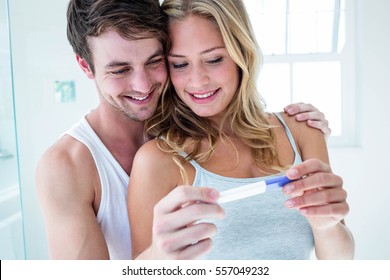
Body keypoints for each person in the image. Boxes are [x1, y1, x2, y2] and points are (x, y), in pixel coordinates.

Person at [36, 0, 332, 260]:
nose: (143, 86)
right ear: (86, 66)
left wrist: (300, 130)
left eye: (155, 62)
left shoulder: (196, 123)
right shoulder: (67, 165)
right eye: (120, 69)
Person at [127, 0, 354, 260]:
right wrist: (158, 255)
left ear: (241, 54)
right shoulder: (157, 160)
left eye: (213, 59)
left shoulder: (303, 131)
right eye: (180, 64)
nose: (198, 80)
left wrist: (326, 224)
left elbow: (339, 262)